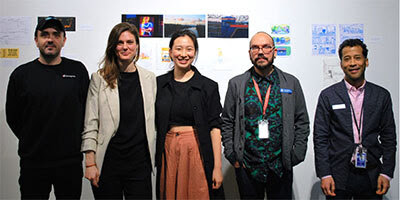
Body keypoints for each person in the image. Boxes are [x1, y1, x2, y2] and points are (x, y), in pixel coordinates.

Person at [5, 16, 89, 199]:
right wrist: (32, 138)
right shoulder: (21, 75)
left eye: (55, 34)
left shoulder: (78, 71)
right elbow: (13, 116)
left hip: (69, 162)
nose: (50, 39)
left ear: (63, 40)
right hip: (33, 162)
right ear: (36, 40)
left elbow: (86, 112)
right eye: (44, 35)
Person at [221, 31, 310, 199]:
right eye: (255, 47)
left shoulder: (290, 83)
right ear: (249, 54)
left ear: (274, 52)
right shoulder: (237, 84)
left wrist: (296, 154)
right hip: (247, 165)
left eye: (266, 47)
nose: (260, 52)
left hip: (280, 165)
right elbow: (227, 121)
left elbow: (302, 121)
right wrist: (232, 154)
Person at [313, 39, 396, 199]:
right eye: (347, 58)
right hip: (338, 174)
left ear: (366, 61)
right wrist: (324, 174)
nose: (352, 63)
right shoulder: (328, 96)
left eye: (357, 58)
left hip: (372, 173)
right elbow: (320, 138)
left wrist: (386, 172)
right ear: (341, 63)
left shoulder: (381, 96)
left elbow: (389, 138)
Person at [81, 22, 156, 199]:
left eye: (130, 42)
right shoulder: (99, 78)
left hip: (140, 164)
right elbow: (91, 122)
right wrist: (90, 162)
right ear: (113, 47)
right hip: (108, 163)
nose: (125, 47)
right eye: (120, 42)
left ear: (137, 45)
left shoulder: (149, 78)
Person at [155, 29, 224, 199]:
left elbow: (215, 128)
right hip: (168, 150)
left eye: (189, 49)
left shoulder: (208, 86)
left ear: (195, 52)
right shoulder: (158, 84)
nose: (183, 54)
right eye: (178, 49)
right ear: (170, 52)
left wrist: (217, 167)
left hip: (197, 151)